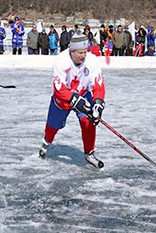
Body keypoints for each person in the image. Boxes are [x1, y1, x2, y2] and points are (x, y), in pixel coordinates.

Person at [38, 33, 106, 168]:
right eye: (80, 52)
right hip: (64, 98)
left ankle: (89, 153)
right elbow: (59, 88)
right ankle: (46, 142)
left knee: (89, 122)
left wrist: (98, 103)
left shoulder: (92, 61)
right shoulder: (61, 60)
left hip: (83, 93)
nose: (83, 55)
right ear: (72, 51)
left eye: (85, 52)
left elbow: (98, 85)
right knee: (53, 124)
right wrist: (73, 99)